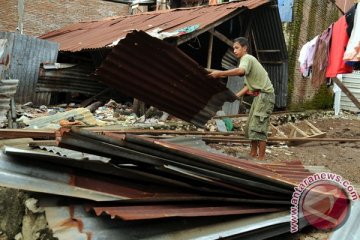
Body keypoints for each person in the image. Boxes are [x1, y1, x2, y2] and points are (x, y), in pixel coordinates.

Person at [209, 37, 275, 160]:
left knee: (259, 128)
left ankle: (261, 158)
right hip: (259, 96)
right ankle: (253, 154)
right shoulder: (247, 60)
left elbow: (240, 71)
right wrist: (235, 96)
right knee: (251, 126)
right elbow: (247, 87)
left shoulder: (247, 58)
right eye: (233, 48)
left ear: (244, 48)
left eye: (237, 48)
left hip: (265, 96)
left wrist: (220, 73)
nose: (234, 51)